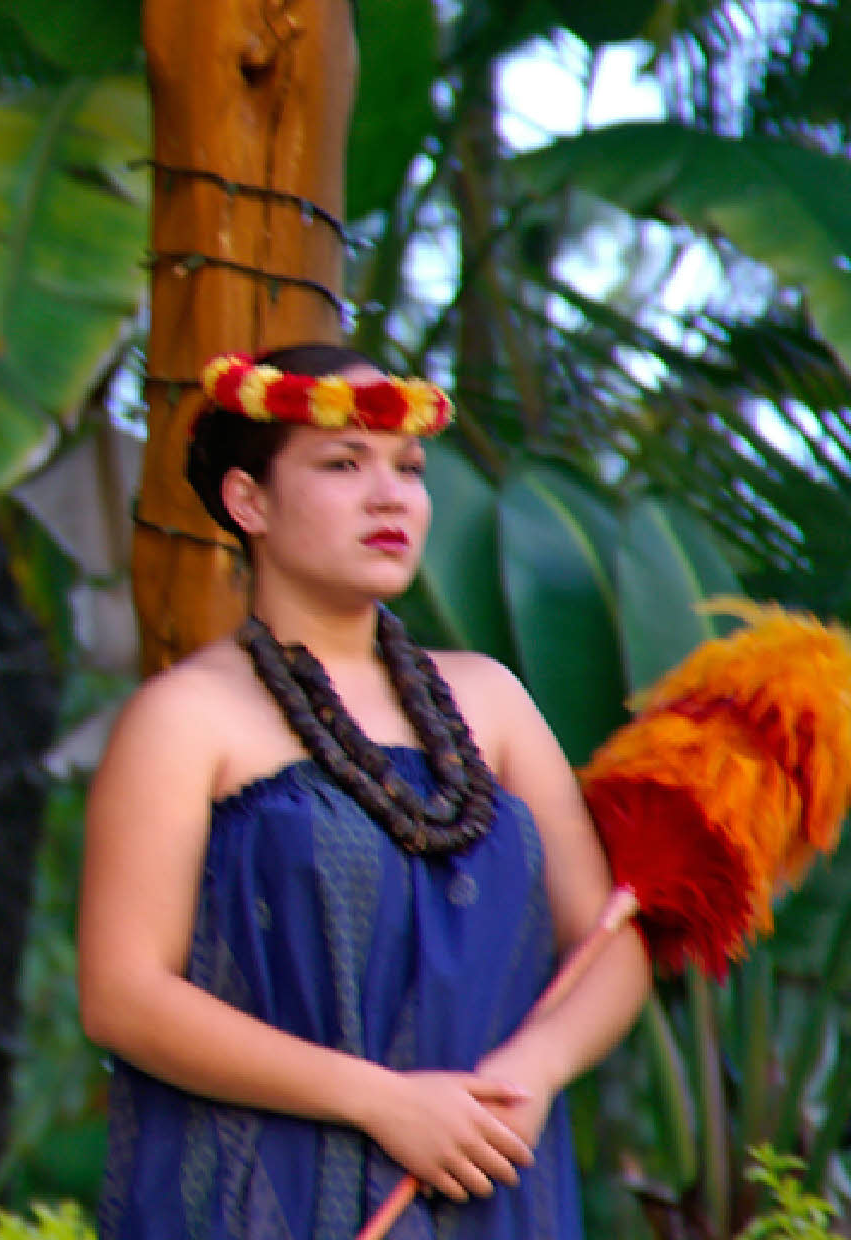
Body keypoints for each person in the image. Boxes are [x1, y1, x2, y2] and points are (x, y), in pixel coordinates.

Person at [81, 345, 652, 1240]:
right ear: (248, 501)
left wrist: (532, 1074)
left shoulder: (491, 700)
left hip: (487, 1166)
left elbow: (610, 939)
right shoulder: (185, 719)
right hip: (269, 1192)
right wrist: (381, 1103)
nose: (392, 497)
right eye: (343, 465)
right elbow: (122, 994)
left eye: (409, 470)